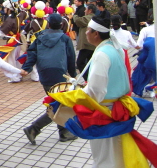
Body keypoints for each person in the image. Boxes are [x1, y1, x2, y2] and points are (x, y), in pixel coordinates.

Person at [46, 16, 157, 167]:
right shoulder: (114, 48)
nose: (85, 33)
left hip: (105, 111)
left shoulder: (101, 54)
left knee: (105, 156)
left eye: (88, 31)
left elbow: (95, 92)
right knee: (116, 152)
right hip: (116, 107)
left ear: (95, 34)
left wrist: (69, 96)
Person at [21, 14, 78, 145]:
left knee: (58, 103)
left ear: (48, 24)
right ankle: (34, 128)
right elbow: (70, 57)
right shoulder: (65, 38)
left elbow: (31, 54)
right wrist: (73, 74)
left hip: (44, 73)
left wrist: (27, 68)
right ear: (61, 25)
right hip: (60, 73)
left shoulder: (39, 37)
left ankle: (63, 132)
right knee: (58, 105)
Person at [72, 4, 96, 80]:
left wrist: (74, 15)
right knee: (89, 62)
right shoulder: (90, 17)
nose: (85, 11)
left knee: (80, 62)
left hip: (87, 45)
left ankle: (87, 78)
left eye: (86, 9)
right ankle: (90, 78)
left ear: (90, 11)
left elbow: (78, 21)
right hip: (89, 44)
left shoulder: (90, 17)